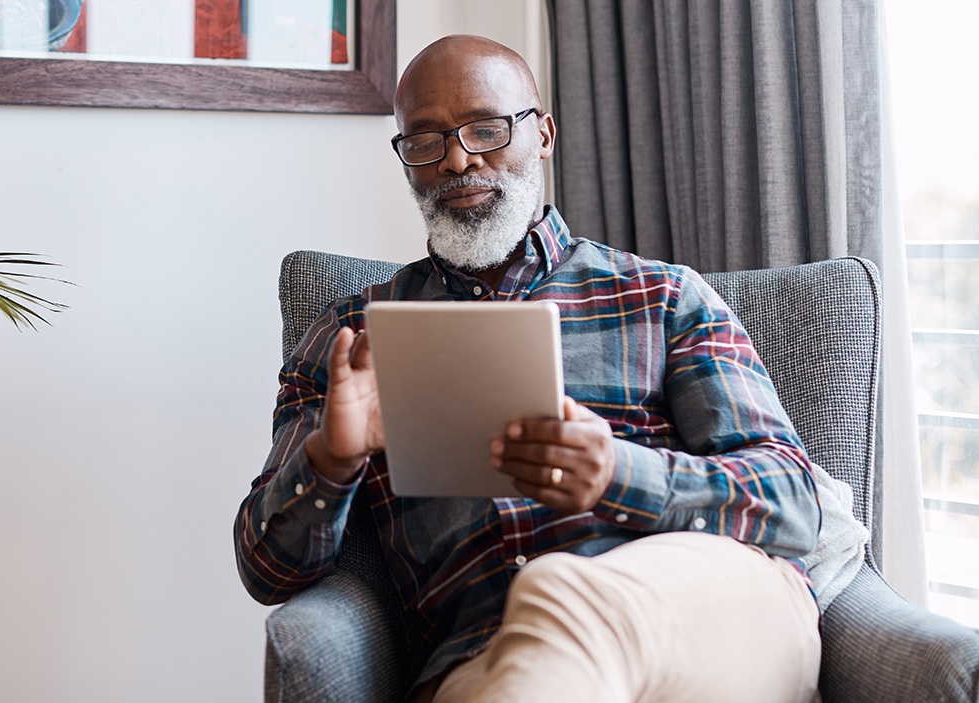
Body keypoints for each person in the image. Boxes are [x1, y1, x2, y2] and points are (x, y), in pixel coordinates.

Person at [236, 35, 826, 703]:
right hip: (489, 657)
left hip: (708, 612)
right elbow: (266, 572)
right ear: (404, 164)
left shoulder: (663, 296)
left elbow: (792, 505)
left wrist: (618, 474)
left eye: (485, 128)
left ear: (542, 133)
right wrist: (332, 457)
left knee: (557, 590)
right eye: (425, 141)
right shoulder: (350, 337)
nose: (457, 159)